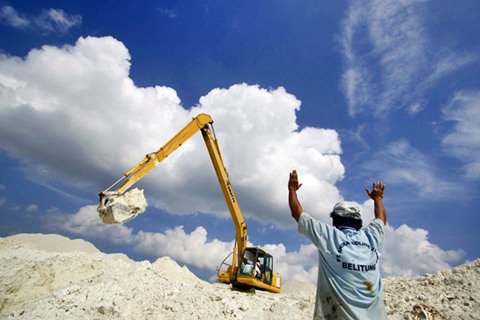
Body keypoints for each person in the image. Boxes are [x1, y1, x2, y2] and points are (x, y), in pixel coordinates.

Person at [288, 170, 387, 320]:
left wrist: (292, 190)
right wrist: (378, 199)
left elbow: (297, 214)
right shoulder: (372, 237)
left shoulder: (329, 236)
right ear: (359, 222)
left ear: (334, 220)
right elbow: (381, 219)